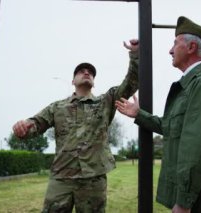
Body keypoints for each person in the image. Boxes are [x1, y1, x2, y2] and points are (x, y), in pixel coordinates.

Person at [115, 16, 201, 213]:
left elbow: (199, 144)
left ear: (191, 47)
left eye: (175, 43)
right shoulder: (193, 84)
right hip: (194, 199)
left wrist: (184, 201)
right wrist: (139, 114)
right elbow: (171, 127)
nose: (170, 50)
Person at [12, 39, 139, 213]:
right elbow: (35, 124)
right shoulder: (57, 107)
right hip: (61, 177)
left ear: (94, 82)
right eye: (81, 71)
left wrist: (136, 55)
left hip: (93, 179)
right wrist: (22, 128)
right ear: (73, 81)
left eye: (90, 72)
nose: (86, 72)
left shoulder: (106, 101)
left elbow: (131, 82)